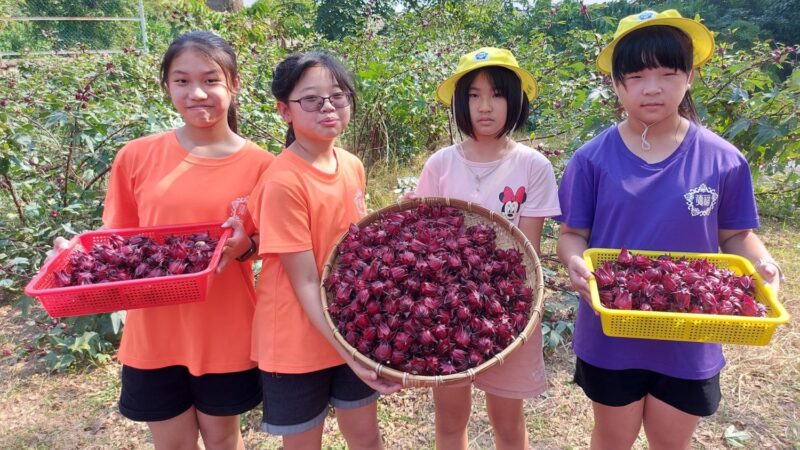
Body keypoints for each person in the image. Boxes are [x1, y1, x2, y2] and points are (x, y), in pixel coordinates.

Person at [555, 10, 784, 450]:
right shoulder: (591, 159)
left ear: (690, 76)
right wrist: (574, 262)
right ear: (617, 84)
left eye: (666, 72)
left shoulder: (723, 159)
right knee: (611, 440)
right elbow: (573, 233)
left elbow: (735, 235)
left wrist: (764, 263)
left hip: (691, 333)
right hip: (612, 333)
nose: (652, 87)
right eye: (637, 75)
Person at [52, 31, 274, 449]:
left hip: (224, 329)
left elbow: (267, 245)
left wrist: (245, 245)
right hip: (154, 333)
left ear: (234, 84)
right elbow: (114, 244)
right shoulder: (136, 156)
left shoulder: (264, 165)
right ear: (166, 86)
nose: (197, 93)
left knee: (224, 439)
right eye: (182, 81)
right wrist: (73, 262)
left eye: (211, 80)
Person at [248, 51, 401, 450]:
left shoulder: (350, 164)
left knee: (366, 436)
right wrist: (350, 354)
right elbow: (305, 281)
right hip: (295, 340)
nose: (328, 106)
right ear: (285, 110)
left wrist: (356, 344)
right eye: (311, 99)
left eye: (338, 95)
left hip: (351, 326)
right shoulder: (284, 181)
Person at [413, 47, 561, 449]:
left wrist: (512, 303)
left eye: (497, 94)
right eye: (474, 95)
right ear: (461, 103)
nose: (485, 106)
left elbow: (525, 251)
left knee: (507, 421)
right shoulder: (441, 164)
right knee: (449, 419)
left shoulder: (533, 166)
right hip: (446, 306)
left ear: (514, 101)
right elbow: (423, 237)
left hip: (507, 309)